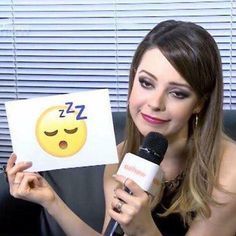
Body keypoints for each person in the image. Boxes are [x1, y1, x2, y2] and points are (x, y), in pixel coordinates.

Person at [6, 20, 236, 235]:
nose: (155, 104)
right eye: (146, 83)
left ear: (199, 103)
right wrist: (51, 201)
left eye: (177, 93)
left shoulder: (230, 167)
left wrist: (144, 229)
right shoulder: (121, 156)